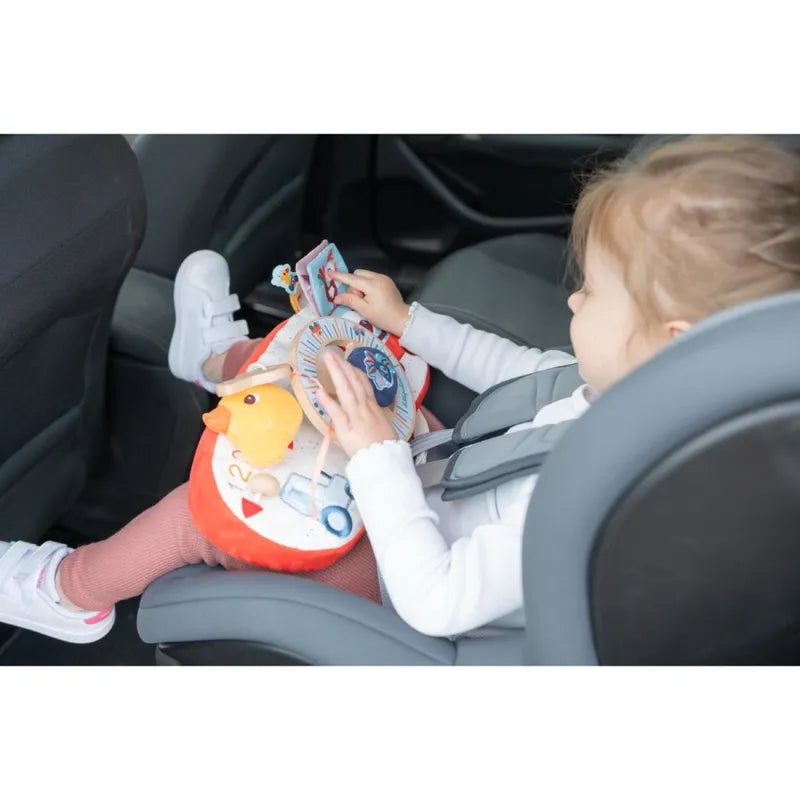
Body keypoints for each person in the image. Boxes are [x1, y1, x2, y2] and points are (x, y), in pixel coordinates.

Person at [1, 135, 799, 643]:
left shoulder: (595, 497)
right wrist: (410, 321)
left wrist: (378, 456)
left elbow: (439, 601)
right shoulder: (628, 398)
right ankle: (216, 361)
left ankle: (71, 592)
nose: (572, 299)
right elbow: (523, 372)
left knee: (203, 516)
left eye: (592, 291)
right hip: (429, 472)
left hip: (391, 562)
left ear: (673, 344)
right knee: (334, 364)